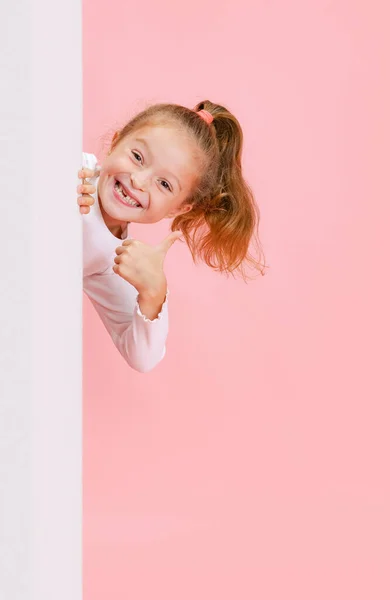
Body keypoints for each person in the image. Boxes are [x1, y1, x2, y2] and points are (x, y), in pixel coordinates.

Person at [78, 100, 266, 373]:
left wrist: (153, 291)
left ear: (178, 208)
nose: (139, 182)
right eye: (137, 157)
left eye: (164, 184)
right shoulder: (76, 171)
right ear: (116, 142)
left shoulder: (113, 259)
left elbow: (142, 357)